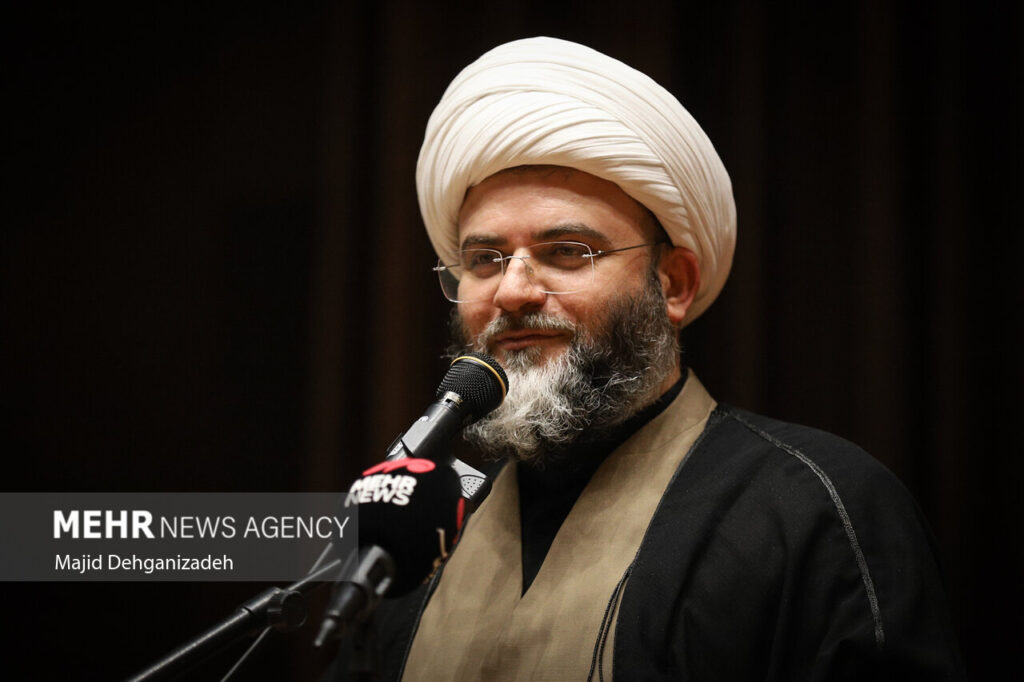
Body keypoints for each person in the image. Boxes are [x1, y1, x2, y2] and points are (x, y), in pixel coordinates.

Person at [331, 37, 964, 681]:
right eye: (483, 260)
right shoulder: (419, 534)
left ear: (674, 284)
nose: (512, 291)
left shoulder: (817, 506)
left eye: (567, 251)